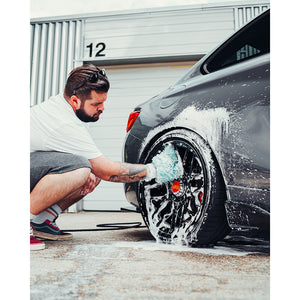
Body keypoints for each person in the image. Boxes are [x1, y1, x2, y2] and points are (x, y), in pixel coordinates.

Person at [30, 64, 182, 250]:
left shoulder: (66, 109)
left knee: (88, 172)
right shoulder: (63, 123)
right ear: (75, 101)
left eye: (103, 102)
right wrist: (155, 170)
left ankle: (40, 220)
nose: (102, 108)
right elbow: (107, 171)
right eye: (96, 104)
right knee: (82, 170)